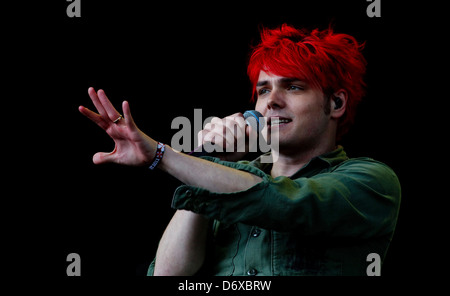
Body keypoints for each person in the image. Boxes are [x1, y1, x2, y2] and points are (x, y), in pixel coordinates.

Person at [79, 24, 401, 276]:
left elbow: (283, 202)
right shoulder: (225, 180)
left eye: (293, 86)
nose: (272, 101)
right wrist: (212, 162)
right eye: (264, 90)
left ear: (336, 103)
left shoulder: (371, 181)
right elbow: (167, 272)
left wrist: (162, 155)